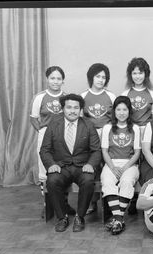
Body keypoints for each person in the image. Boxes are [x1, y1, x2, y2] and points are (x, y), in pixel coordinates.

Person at [40, 94, 102, 232]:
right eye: (69, 107)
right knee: (52, 181)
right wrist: (51, 165)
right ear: (63, 108)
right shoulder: (53, 124)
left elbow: (96, 150)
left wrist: (91, 164)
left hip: (82, 166)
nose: (72, 111)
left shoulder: (88, 125)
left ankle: (80, 217)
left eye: (76, 108)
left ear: (80, 109)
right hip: (61, 166)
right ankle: (62, 217)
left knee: (88, 181)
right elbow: (44, 150)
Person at [30, 66, 75, 216]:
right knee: (45, 171)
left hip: (64, 136)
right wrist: (44, 132)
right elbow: (34, 118)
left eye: (59, 78)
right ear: (47, 79)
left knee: (64, 169)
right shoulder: (40, 97)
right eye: (52, 78)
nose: (55, 81)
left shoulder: (67, 97)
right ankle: (47, 204)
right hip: (45, 136)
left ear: (63, 80)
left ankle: (64, 203)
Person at [100, 96, 141, 235]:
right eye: (118, 109)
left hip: (130, 164)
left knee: (127, 181)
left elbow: (137, 153)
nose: (122, 112)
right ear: (114, 111)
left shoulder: (135, 128)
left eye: (125, 109)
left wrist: (124, 168)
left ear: (129, 111)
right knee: (107, 181)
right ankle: (119, 220)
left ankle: (116, 219)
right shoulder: (107, 128)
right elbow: (104, 151)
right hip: (111, 163)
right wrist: (112, 167)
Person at [80, 63, 116, 215]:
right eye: (98, 76)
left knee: (107, 166)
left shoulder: (111, 96)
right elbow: (80, 120)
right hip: (89, 135)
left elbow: (116, 118)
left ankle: (109, 200)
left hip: (107, 134)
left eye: (104, 77)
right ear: (91, 77)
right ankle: (92, 201)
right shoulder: (83, 96)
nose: (101, 80)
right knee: (92, 167)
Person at [121, 57, 153, 135]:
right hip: (130, 131)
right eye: (134, 73)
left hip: (148, 131)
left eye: (140, 73)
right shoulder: (125, 94)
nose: (137, 77)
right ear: (130, 75)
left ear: (146, 74)